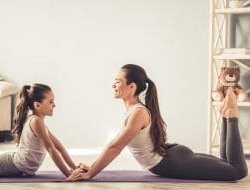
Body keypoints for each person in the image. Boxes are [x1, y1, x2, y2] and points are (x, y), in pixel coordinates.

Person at [67, 64, 248, 181]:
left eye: (117, 81)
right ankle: (226, 114)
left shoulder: (138, 113)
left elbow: (115, 147)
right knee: (226, 162)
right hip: (173, 157)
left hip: (171, 162)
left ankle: (230, 115)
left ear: (132, 87)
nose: (113, 85)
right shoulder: (134, 110)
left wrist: (91, 173)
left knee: (237, 171)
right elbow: (113, 145)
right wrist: (91, 167)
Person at [0, 83, 78, 178]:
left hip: (11, 162)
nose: (54, 105)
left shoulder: (40, 123)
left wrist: (74, 168)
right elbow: (51, 150)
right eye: (51, 102)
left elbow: (59, 148)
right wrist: (68, 174)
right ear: (37, 105)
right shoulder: (36, 121)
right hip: (9, 165)